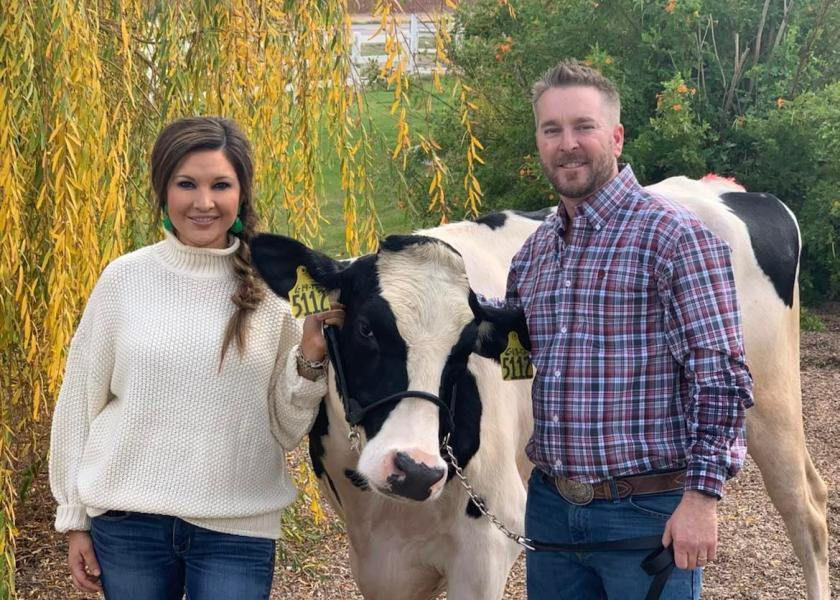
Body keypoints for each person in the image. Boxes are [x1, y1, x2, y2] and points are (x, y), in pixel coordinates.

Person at [49, 116, 344, 600]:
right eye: (186, 184)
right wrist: (74, 517)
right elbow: (80, 403)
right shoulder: (124, 279)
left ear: (242, 194)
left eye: (220, 185)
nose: (203, 202)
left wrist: (310, 356)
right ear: (163, 191)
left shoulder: (277, 292)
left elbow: (287, 428)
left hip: (238, 528)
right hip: (127, 524)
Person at [501, 60, 754, 598]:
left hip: (646, 513)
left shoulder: (674, 238)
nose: (567, 143)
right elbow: (511, 349)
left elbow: (722, 379)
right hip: (551, 508)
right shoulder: (535, 254)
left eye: (583, 127)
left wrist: (702, 500)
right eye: (552, 130)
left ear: (615, 136)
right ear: (539, 142)